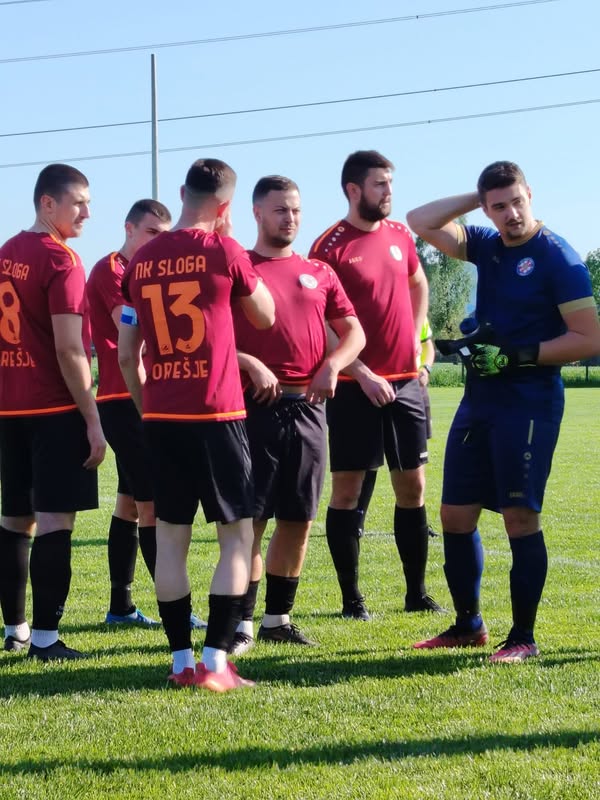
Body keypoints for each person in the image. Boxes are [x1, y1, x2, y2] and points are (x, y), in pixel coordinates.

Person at [407, 160, 600, 662]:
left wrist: (518, 356)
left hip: (529, 403)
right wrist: (476, 199)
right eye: (498, 205)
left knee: (519, 516)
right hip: (479, 400)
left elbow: (589, 339)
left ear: (529, 194)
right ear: (486, 209)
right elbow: (420, 220)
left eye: (516, 201)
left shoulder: (559, 259)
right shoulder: (485, 244)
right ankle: (468, 625)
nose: (511, 213)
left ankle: (523, 638)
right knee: (454, 515)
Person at [118, 158, 275, 691]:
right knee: (236, 537)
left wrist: (147, 405)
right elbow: (266, 315)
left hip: (162, 417)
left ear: (182, 193)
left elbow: (126, 355)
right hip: (217, 414)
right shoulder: (224, 250)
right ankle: (216, 663)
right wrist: (228, 244)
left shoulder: (141, 259)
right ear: (226, 205)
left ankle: (181, 661)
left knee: (170, 539)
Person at [230, 175, 365, 655]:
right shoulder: (238, 267)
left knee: (299, 518)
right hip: (252, 409)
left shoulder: (318, 271)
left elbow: (354, 332)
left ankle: (277, 619)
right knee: (251, 522)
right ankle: (241, 623)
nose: (290, 218)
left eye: (296, 210)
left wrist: (333, 364)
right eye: (280, 210)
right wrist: (248, 362)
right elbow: (210, 337)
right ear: (257, 214)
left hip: (308, 410)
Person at [309, 150, 441, 621]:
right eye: (380, 184)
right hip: (352, 387)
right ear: (353, 190)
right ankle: (352, 600)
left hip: (405, 385)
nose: (388, 192)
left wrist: (415, 334)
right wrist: (361, 373)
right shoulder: (328, 248)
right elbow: (320, 322)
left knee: (413, 487)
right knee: (347, 491)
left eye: (390, 183)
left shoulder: (401, 235)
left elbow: (418, 283)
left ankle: (416, 594)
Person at [0, 163, 106, 661]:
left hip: (9, 408)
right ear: (48, 203)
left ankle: (15, 629)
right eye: (78, 202)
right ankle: (45, 639)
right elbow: (69, 348)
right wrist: (92, 417)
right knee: (55, 521)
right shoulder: (61, 259)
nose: (87, 212)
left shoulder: (6, 252)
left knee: (14, 520)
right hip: (54, 408)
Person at [87, 199, 175, 627]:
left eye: (164, 236)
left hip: (137, 395)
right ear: (129, 229)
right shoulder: (113, 270)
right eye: (151, 233)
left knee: (128, 504)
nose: (157, 242)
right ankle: (175, 609)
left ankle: (120, 606)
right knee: (151, 504)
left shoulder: (148, 272)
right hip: (124, 398)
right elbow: (139, 332)